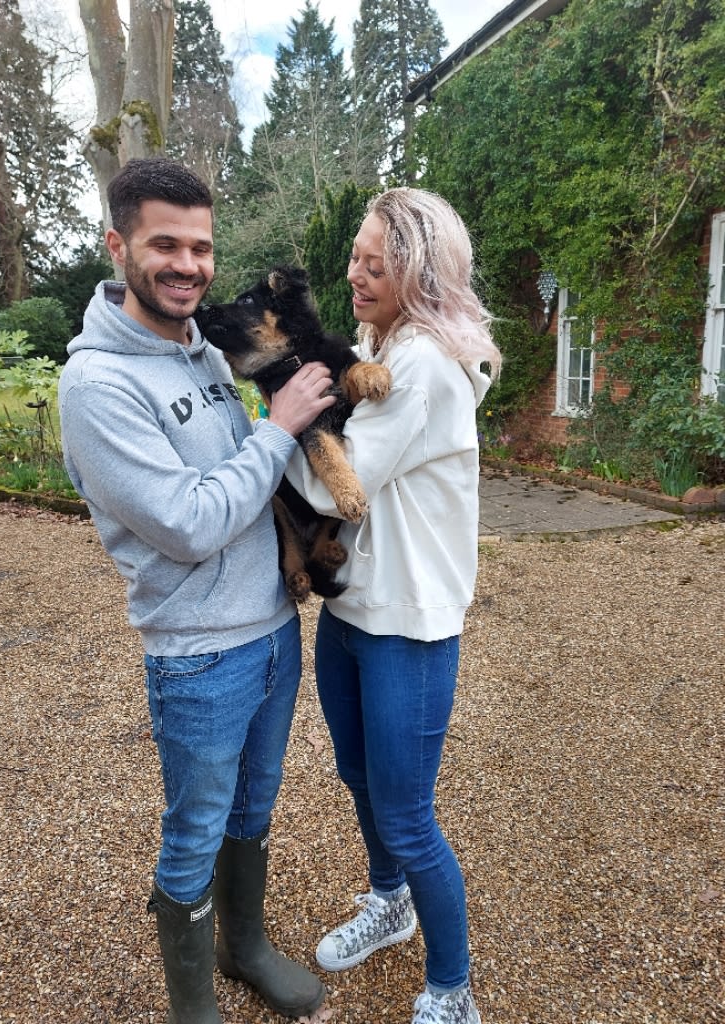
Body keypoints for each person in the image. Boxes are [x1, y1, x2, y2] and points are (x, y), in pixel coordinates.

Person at [57, 157, 333, 1024]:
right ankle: (193, 1007)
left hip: (274, 631)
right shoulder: (97, 385)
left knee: (255, 804)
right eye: (164, 244)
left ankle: (242, 945)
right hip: (199, 653)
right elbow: (188, 522)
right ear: (119, 245)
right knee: (195, 829)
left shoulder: (205, 351)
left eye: (201, 247)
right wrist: (282, 428)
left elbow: (246, 470)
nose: (187, 265)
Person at [284, 187, 502, 1024]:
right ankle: (391, 904)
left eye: (376, 263)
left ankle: (453, 988)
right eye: (355, 257)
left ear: (418, 269)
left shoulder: (419, 365)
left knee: (408, 817)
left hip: (408, 625)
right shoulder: (384, 344)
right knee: (358, 779)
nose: (354, 273)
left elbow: (331, 485)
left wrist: (275, 430)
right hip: (351, 615)